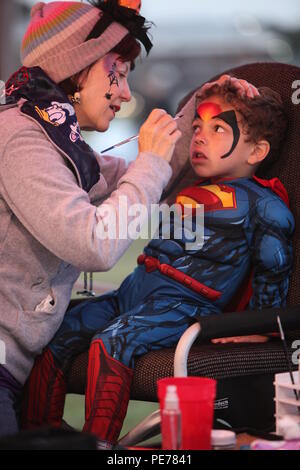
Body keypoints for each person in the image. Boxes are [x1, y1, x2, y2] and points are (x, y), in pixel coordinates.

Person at [22, 75, 295, 448]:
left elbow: (273, 267)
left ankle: (95, 445)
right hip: (133, 292)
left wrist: (259, 328)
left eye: (217, 128)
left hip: (182, 306)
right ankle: (38, 437)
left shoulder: (263, 206)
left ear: (256, 152)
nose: (198, 135)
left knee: (112, 342)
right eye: (197, 126)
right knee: (55, 330)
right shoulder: (179, 184)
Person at [0, 0, 186, 438]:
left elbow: (159, 178)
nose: (124, 92)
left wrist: (216, 97)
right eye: (116, 73)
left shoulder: (60, 143)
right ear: (76, 68)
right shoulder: (22, 140)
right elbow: (94, 244)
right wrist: (152, 164)